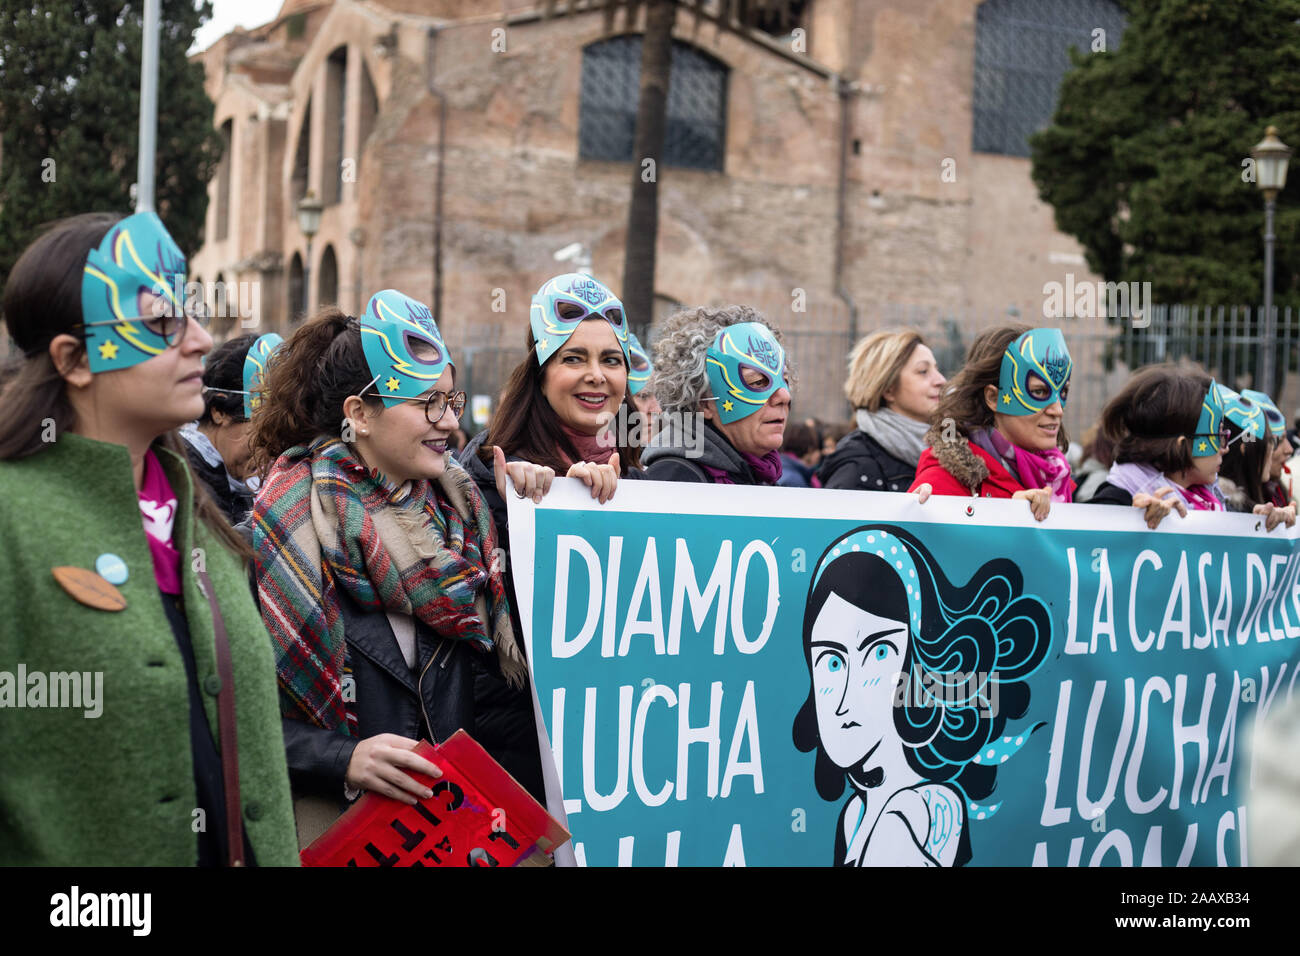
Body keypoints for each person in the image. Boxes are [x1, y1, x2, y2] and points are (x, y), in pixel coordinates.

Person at [0, 211, 298, 865]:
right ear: (74, 360)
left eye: (190, 314)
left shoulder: (209, 528)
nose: (199, 339)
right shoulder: (10, 518)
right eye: (162, 323)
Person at [249, 289, 546, 844]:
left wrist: (527, 515)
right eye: (423, 404)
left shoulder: (468, 518)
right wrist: (342, 757)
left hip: (440, 833)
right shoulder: (275, 537)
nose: (446, 423)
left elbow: (516, 677)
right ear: (359, 414)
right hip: (328, 831)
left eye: (448, 401)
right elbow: (229, 724)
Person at [458, 273, 633, 801]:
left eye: (611, 360)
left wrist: (607, 513)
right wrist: (541, 514)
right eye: (573, 358)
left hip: (609, 755)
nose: (596, 376)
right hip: (519, 763)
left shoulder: (637, 473)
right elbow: (479, 635)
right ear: (540, 372)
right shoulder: (494, 469)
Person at [793, 525, 1051, 866]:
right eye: (832, 661)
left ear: (918, 664)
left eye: (879, 653)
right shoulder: (857, 813)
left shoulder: (908, 814)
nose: (842, 701)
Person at [910, 326, 1074, 521]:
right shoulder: (940, 485)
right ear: (993, 397)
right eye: (1039, 392)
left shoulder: (1058, 477)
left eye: (1062, 392)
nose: (1057, 410)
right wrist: (1005, 516)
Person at [642, 305, 794, 484]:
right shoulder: (674, 481)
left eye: (784, 380)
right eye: (757, 382)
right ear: (704, 402)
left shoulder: (760, 475)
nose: (784, 396)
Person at [1086, 366, 1228, 528]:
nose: (1224, 448)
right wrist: (1134, 521)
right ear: (1181, 446)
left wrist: (1257, 522)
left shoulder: (1208, 498)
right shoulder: (1115, 502)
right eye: (1218, 437)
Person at [819, 328, 946, 492]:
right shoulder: (856, 467)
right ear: (888, 389)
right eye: (923, 371)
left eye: (937, 369)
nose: (941, 380)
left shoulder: (952, 450)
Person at [181, 331, 283, 524]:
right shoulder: (183, 481)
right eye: (262, 432)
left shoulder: (236, 483)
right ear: (219, 411)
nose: (271, 450)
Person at [1214, 386, 1296, 529]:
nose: (1289, 449)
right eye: (1273, 441)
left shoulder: (1265, 499)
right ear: (1245, 449)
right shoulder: (1219, 507)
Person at [777, 421, 821, 488]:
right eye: (816, 448)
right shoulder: (794, 481)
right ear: (810, 448)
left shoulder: (779, 466)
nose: (819, 454)